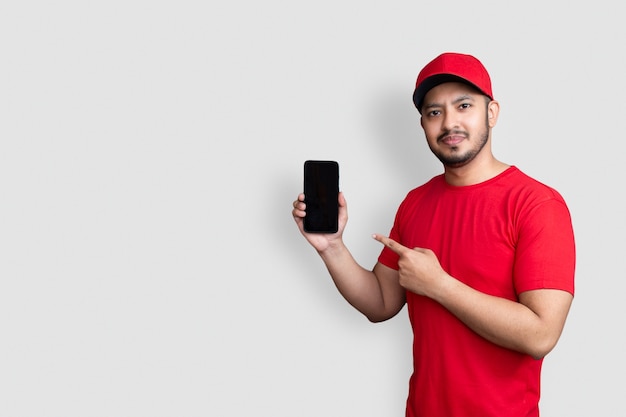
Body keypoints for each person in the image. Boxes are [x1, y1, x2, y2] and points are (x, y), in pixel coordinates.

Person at [291, 52, 575, 417]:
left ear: (492, 113)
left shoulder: (537, 204)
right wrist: (331, 248)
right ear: (423, 124)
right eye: (434, 112)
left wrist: (439, 285)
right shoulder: (415, 203)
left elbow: (541, 335)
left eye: (463, 105)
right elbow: (381, 303)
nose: (449, 123)